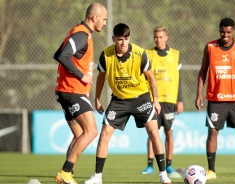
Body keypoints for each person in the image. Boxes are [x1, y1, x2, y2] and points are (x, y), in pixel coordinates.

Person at [84, 23, 171, 184]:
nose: (123, 43)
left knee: (154, 133)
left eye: (126, 39)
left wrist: (156, 100)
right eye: (120, 39)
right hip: (119, 101)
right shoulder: (106, 55)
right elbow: (101, 77)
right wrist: (96, 99)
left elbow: (151, 77)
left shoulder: (140, 53)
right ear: (114, 39)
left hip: (141, 99)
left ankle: (163, 175)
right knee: (104, 135)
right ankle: (97, 177)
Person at [195, 18, 235, 180]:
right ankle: (211, 171)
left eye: (229, 32)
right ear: (219, 30)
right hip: (216, 100)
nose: (225, 35)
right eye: (223, 32)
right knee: (212, 133)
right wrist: (198, 94)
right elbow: (203, 72)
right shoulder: (210, 47)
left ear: (233, 32)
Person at [53, 3, 107, 184]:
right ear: (95, 18)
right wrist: (82, 75)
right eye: (104, 19)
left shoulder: (77, 32)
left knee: (79, 135)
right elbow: (63, 56)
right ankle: (65, 172)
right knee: (91, 131)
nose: (105, 23)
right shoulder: (82, 34)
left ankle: (67, 176)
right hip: (72, 90)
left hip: (66, 90)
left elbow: (58, 53)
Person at [141, 26, 184, 177]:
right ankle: (149, 165)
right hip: (153, 100)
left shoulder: (175, 54)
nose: (158, 39)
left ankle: (169, 165)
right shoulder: (148, 54)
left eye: (161, 37)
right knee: (152, 132)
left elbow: (179, 80)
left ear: (166, 37)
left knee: (169, 132)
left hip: (170, 100)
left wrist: (180, 100)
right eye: (156, 37)